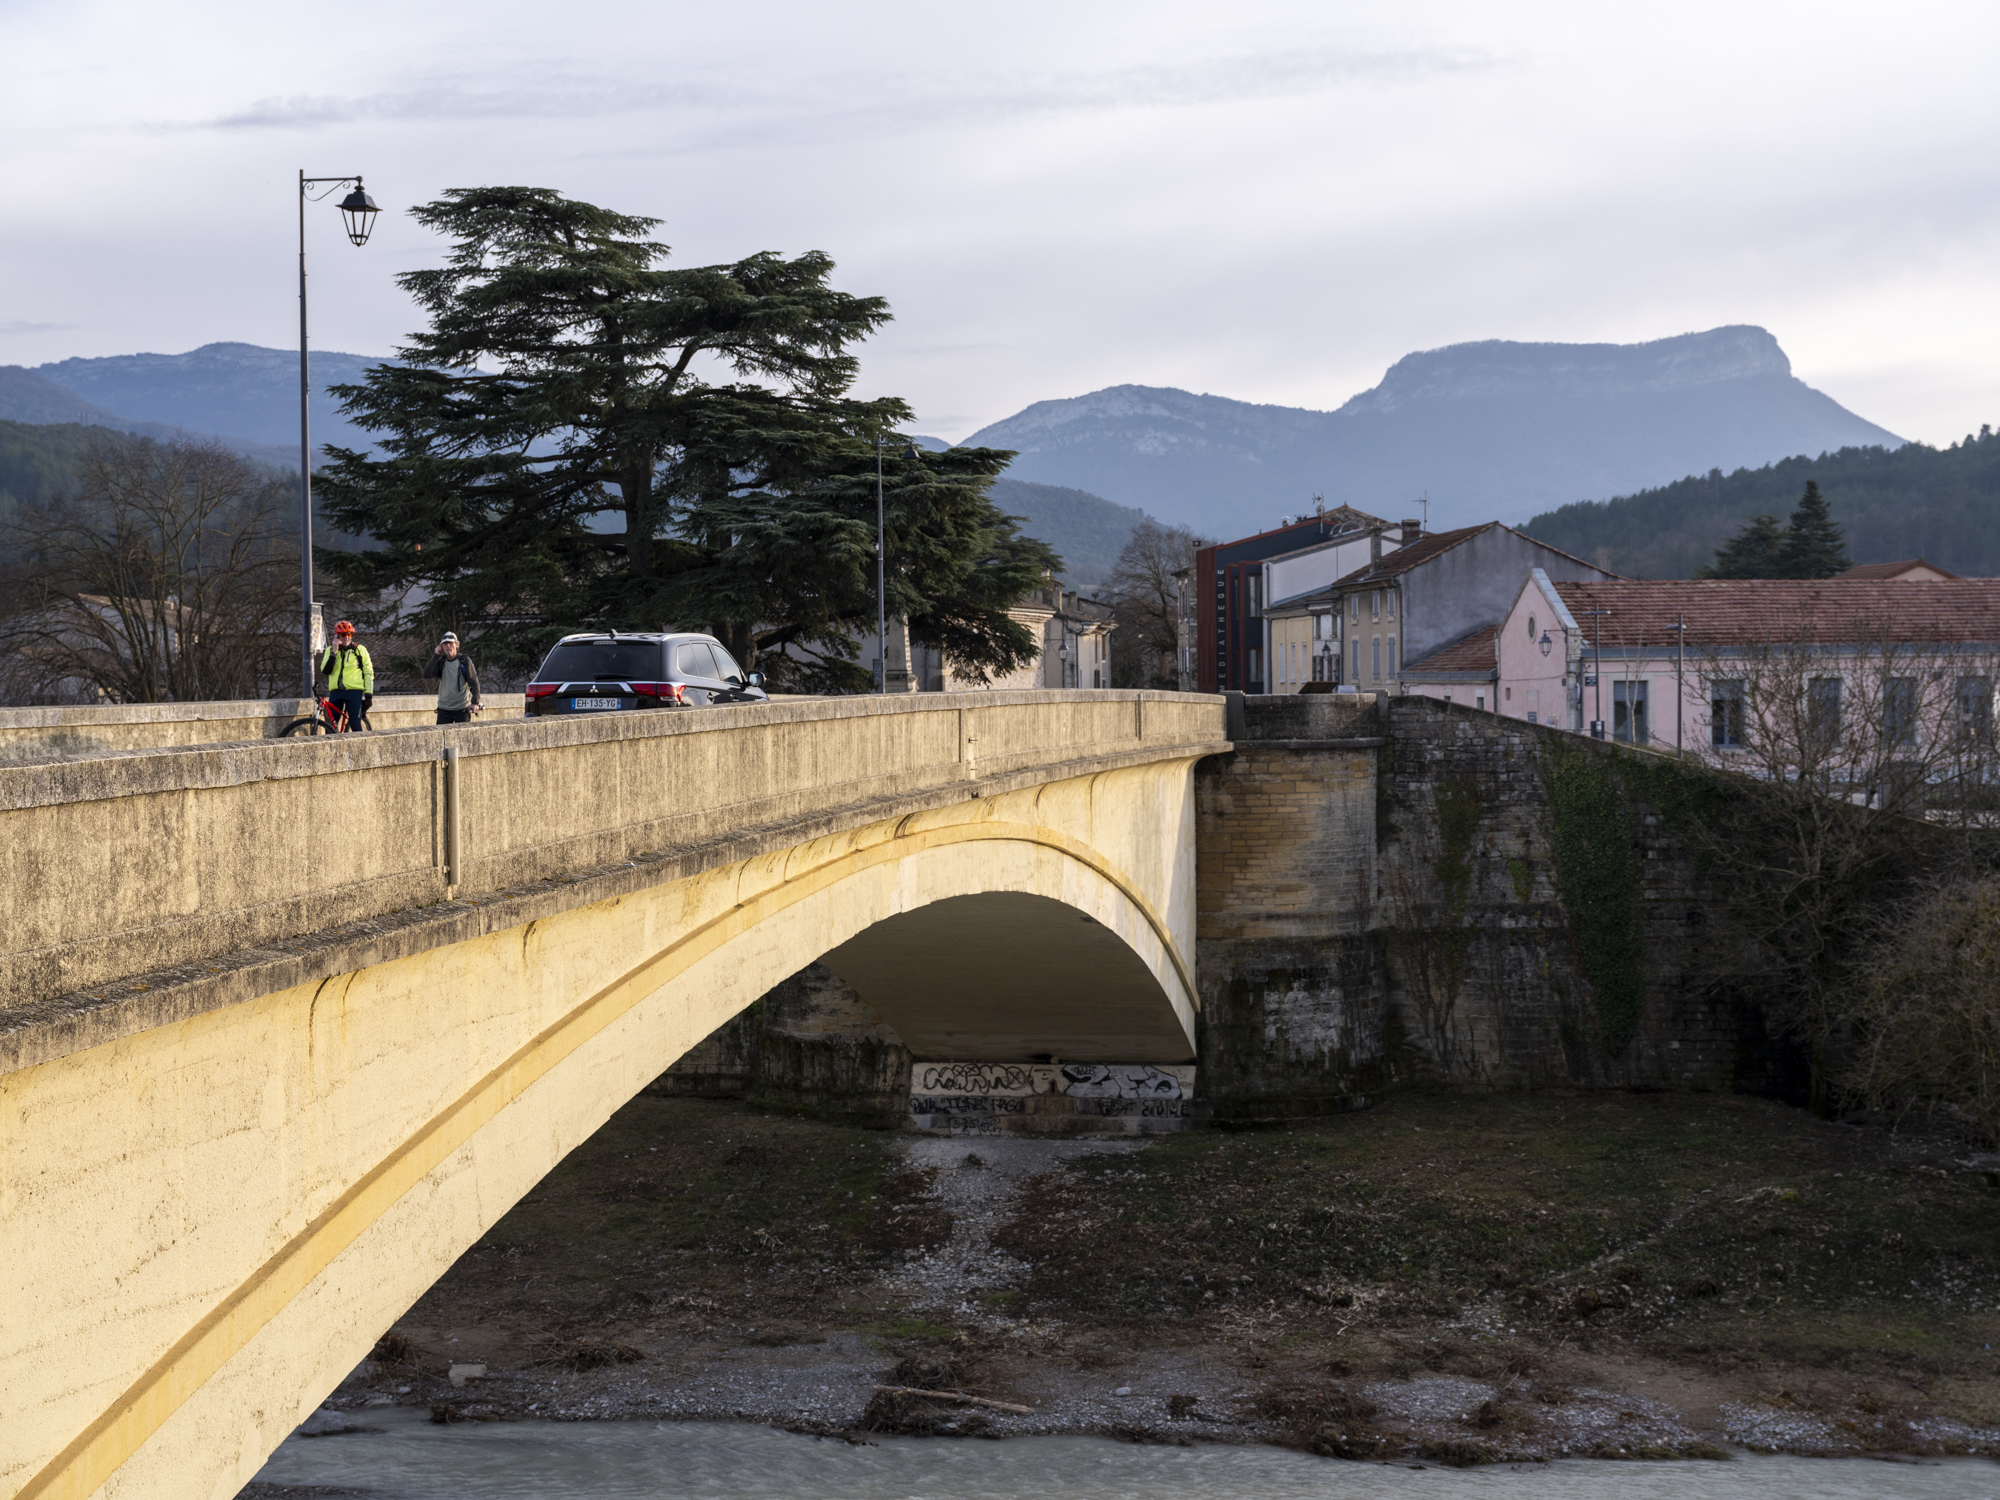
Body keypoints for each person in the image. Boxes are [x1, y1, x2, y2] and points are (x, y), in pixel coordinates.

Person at [317, 620, 374, 732]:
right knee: (330, 728)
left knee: (355, 724)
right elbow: (325, 670)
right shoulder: (330, 650)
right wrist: (334, 652)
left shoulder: (359, 650)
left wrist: (368, 696)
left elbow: (368, 673)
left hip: (354, 691)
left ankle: (361, 748)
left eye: (349, 634)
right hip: (336, 691)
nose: (347, 638)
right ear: (337, 636)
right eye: (343, 635)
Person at [423, 631, 482, 725]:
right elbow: (426, 674)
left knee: (463, 738)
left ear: (456, 645)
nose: (448, 646)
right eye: (445, 644)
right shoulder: (441, 662)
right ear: (441, 646)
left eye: (451, 643)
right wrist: (436, 655)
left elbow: (474, 682)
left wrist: (475, 702)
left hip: (462, 708)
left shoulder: (464, 661)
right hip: (444, 708)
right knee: (441, 738)